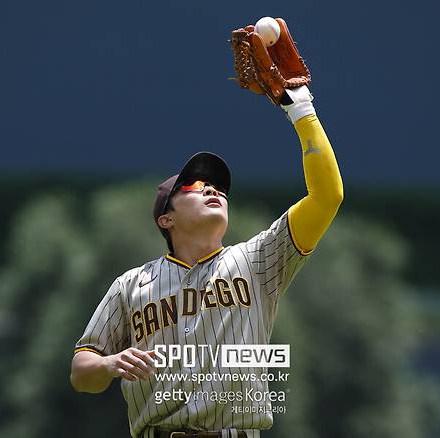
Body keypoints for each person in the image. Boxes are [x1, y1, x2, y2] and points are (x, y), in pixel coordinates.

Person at [70, 36, 343, 438]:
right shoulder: (130, 285)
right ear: (166, 219)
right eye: (195, 185)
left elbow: (327, 197)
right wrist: (108, 365)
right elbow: (81, 372)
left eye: (218, 187)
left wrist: (301, 108)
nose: (212, 189)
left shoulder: (257, 260)